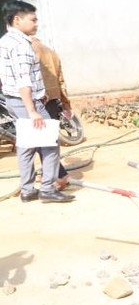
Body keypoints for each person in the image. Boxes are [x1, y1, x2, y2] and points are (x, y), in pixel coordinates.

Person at [0, 0, 73, 203]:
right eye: (32, 20)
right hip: (27, 102)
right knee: (50, 144)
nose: (36, 23)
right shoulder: (22, 46)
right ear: (17, 19)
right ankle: (48, 189)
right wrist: (33, 110)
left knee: (26, 145)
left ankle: (28, 190)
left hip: (14, 101)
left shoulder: (5, 41)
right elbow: (23, 79)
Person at [30, 36, 73, 191]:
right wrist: (66, 104)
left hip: (39, 100)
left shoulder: (29, 51)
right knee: (49, 140)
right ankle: (53, 174)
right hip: (53, 100)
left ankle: (59, 175)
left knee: (42, 142)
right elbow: (61, 80)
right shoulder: (51, 52)